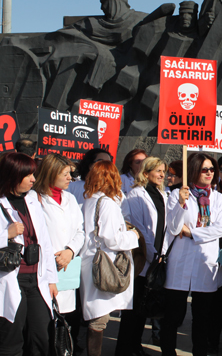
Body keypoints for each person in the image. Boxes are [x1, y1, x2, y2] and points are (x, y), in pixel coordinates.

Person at [160, 152, 222, 356]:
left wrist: (191, 233)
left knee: (202, 318)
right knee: (172, 316)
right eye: (204, 169)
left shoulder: (217, 198)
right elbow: (173, 227)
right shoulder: (178, 195)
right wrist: (181, 204)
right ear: (193, 170)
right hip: (180, 261)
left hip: (205, 262)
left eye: (212, 169)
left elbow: (220, 229)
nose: (209, 173)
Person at [0, 152, 59, 356]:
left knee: (41, 335)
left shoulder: (33, 201)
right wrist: (5, 234)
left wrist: (51, 279)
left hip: (36, 279)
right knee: (12, 339)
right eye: (28, 175)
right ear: (13, 175)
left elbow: (45, 243)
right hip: (10, 278)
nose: (33, 179)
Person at [79, 161, 140, 356]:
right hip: (104, 262)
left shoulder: (90, 199)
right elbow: (112, 239)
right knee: (99, 319)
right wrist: (133, 235)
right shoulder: (106, 203)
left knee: (96, 316)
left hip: (92, 260)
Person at [116, 157, 168, 356]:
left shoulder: (161, 194)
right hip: (143, 259)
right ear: (146, 173)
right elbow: (139, 228)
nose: (162, 174)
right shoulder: (136, 194)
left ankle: (135, 346)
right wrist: (153, 254)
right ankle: (125, 350)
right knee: (134, 309)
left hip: (157, 258)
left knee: (143, 307)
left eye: (163, 171)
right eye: (158, 171)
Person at [33, 154, 85, 335]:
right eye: (65, 174)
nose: (70, 178)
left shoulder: (70, 198)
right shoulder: (35, 199)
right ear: (50, 173)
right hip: (44, 269)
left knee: (63, 323)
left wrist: (70, 251)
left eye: (70, 173)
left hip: (66, 268)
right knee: (43, 324)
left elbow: (80, 231)